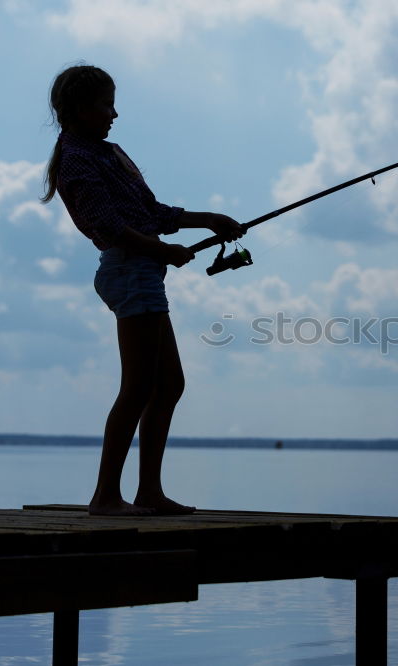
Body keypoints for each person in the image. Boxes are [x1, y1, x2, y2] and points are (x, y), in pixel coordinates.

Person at [40, 64, 243, 516]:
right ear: (79, 109)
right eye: (106, 104)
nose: (115, 113)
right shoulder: (77, 160)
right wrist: (161, 250)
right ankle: (106, 497)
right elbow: (108, 226)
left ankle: (148, 492)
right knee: (138, 387)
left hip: (143, 268)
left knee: (168, 383)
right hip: (129, 269)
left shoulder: (109, 153)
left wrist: (208, 219)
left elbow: (149, 210)